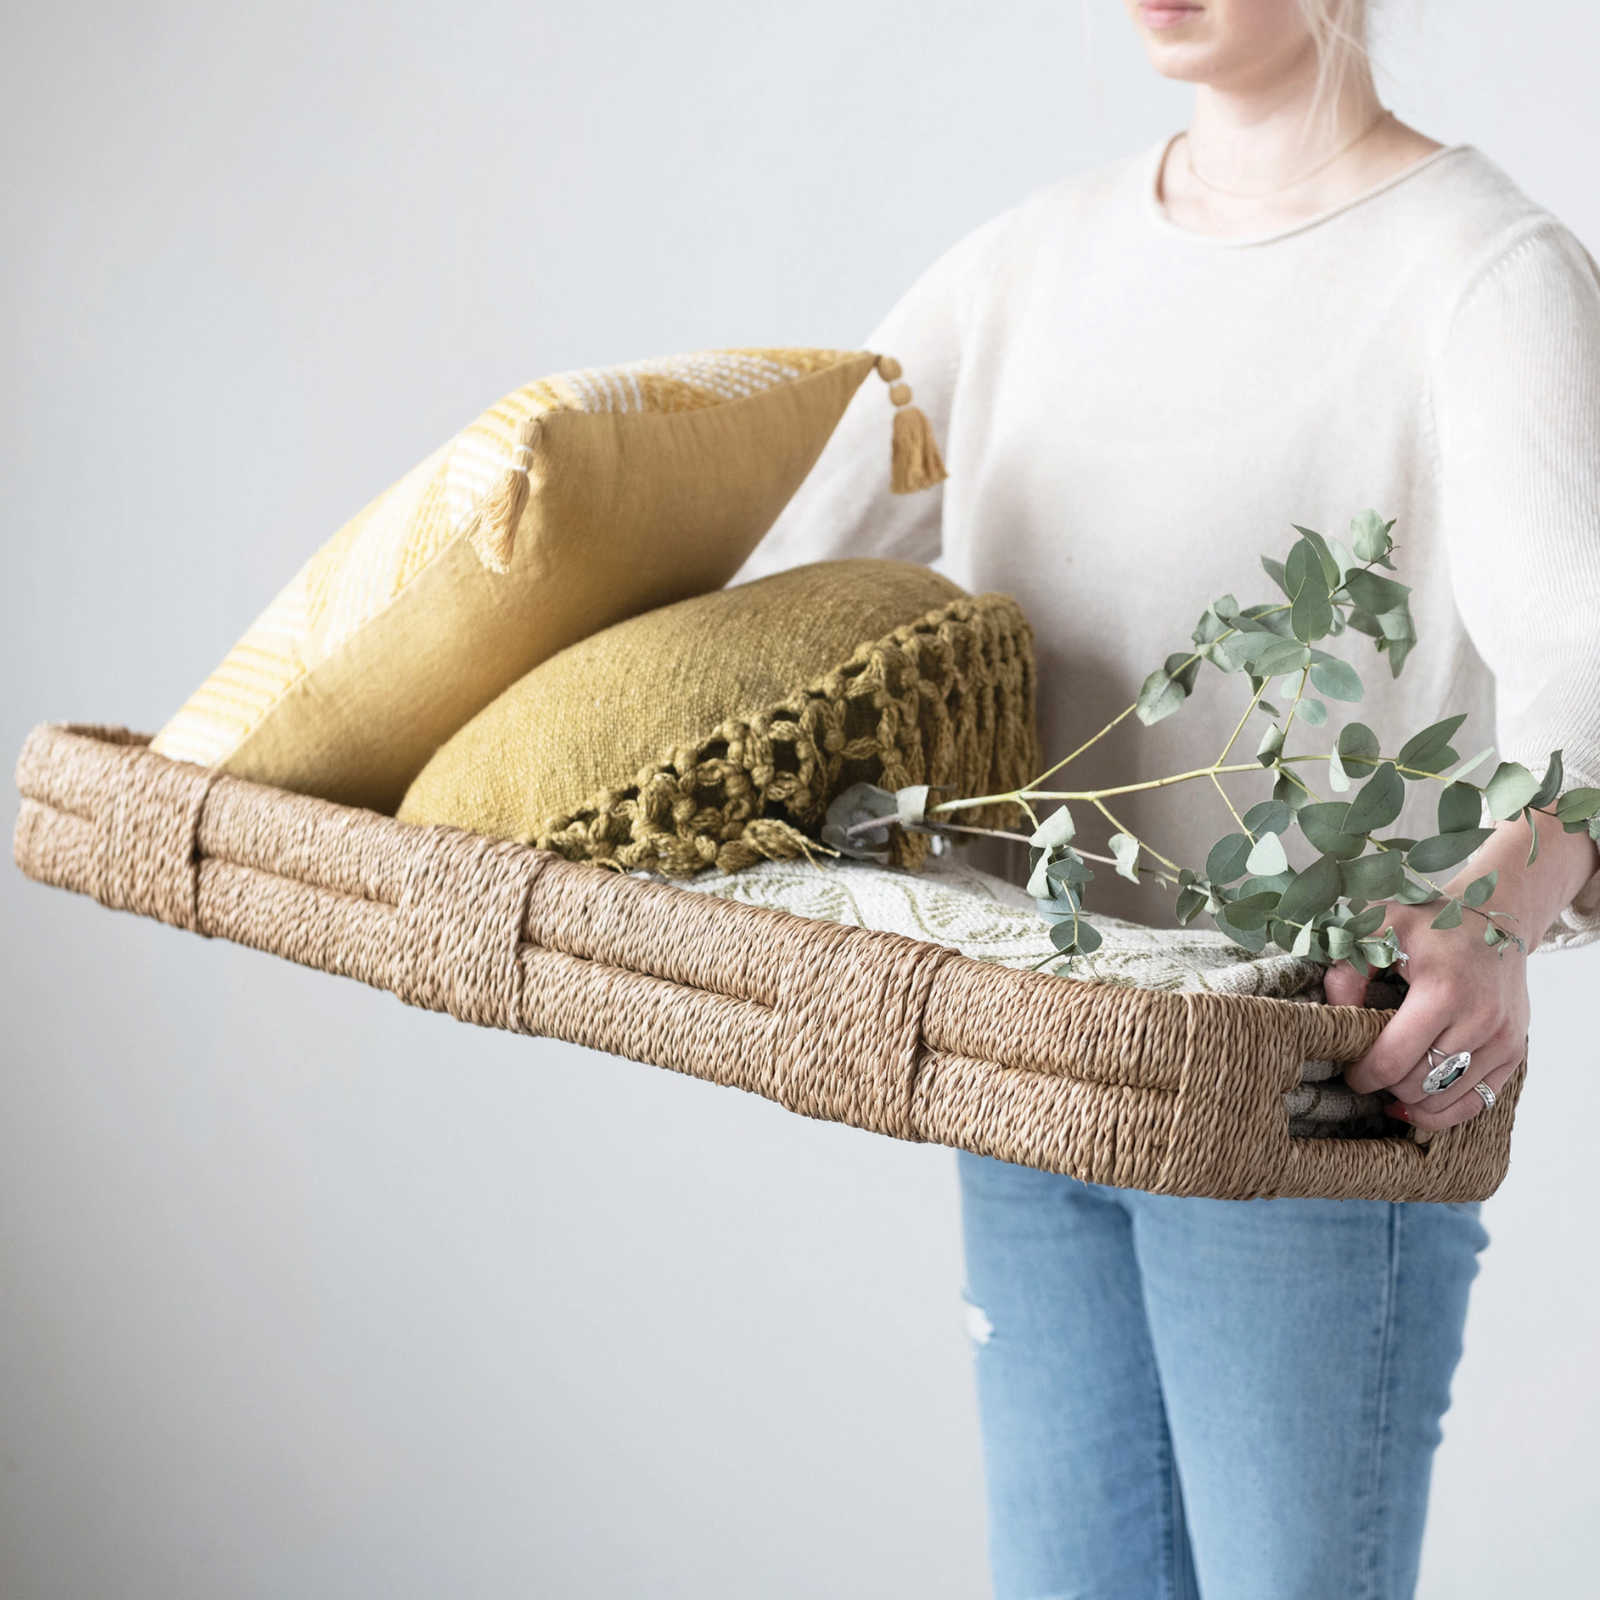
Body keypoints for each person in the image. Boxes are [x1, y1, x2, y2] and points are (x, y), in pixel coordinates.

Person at [738, 1, 1600, 1594]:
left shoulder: (1483, 274)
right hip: (1026, 1068)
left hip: (1306, 1091)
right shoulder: (1022, 269)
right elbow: (772, 600)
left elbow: (1589, 666)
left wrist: (1493, 912)